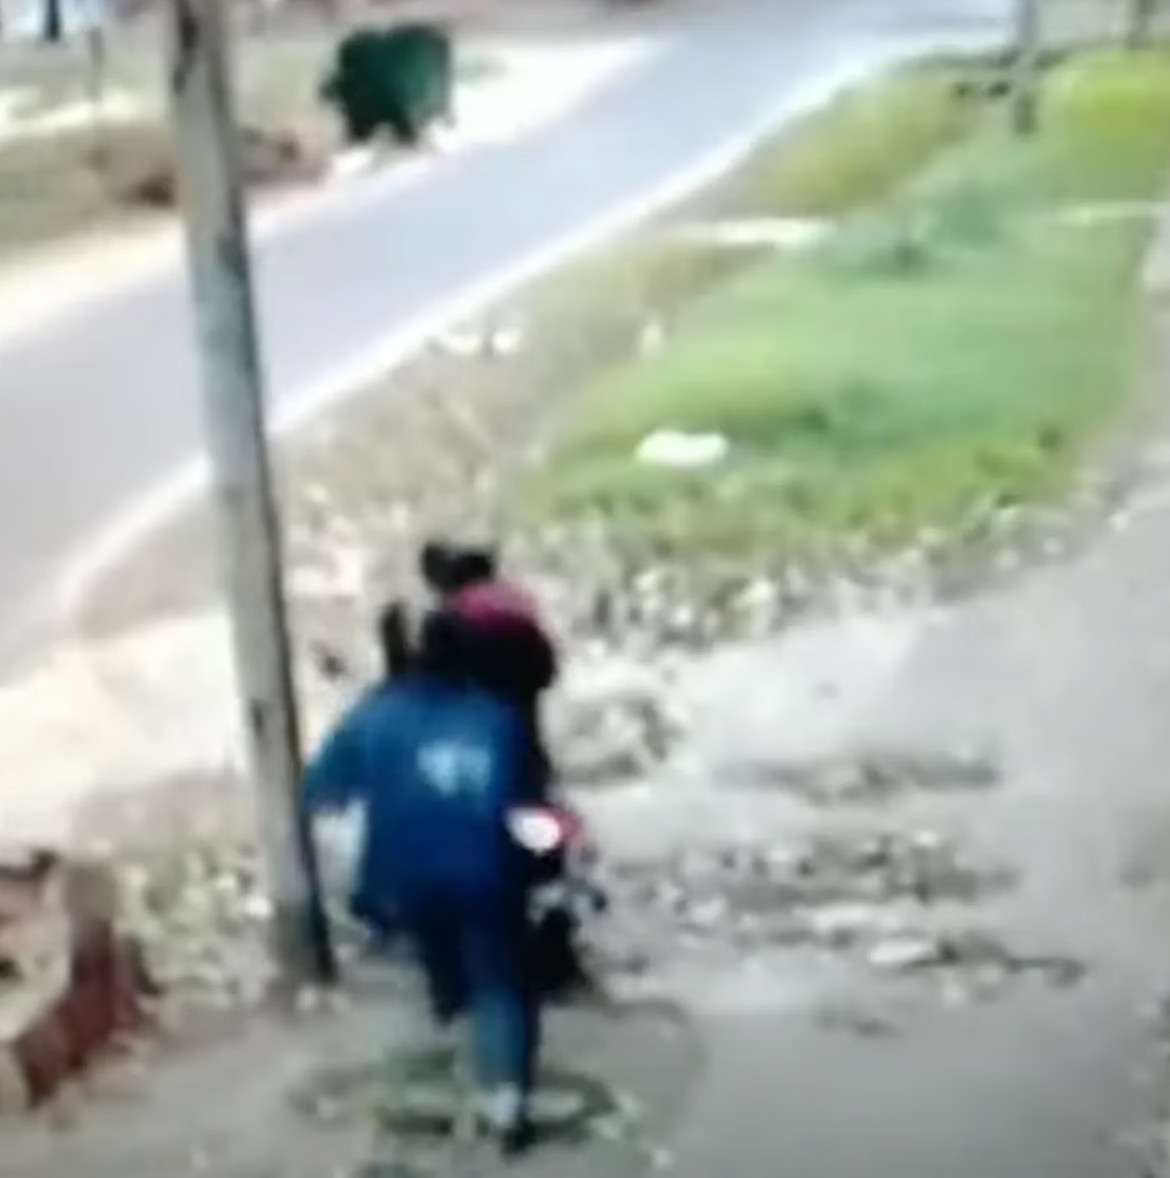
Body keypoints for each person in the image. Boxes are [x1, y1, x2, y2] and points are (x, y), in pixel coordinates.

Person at [302, 611, 543, 1152]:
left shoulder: (374, 718)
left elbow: (321, 793)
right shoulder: (500, 718)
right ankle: (504, 1105)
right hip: (485, 876)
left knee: (441, 947)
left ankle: (447, 1010)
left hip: (399, 882)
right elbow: (530, 806)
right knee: (499, 980)